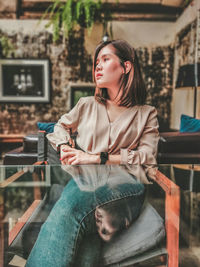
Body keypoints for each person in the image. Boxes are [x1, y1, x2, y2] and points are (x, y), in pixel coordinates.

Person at [25, 39, 159, 267]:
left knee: (69, 208)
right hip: (84, 180)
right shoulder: (86, 104)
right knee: (87, 236)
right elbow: (60, 126)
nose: (97, 66)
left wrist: (98, 157)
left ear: (126, 67)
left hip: (125, 185)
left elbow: (147, 157)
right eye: (96, 62)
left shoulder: (146, 114)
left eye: (105, 59)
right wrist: (64, 146)